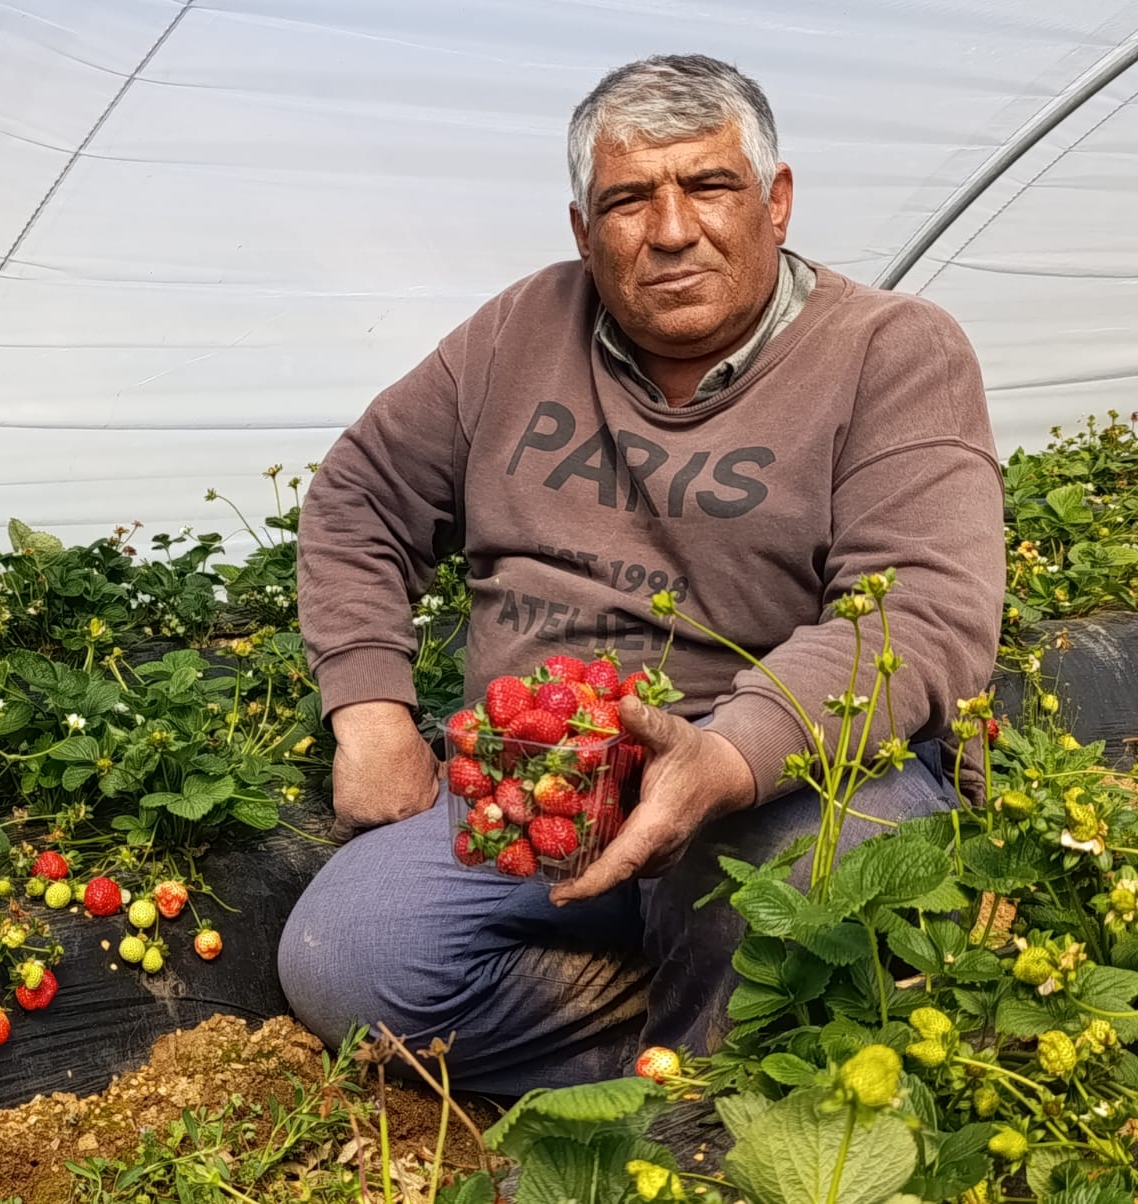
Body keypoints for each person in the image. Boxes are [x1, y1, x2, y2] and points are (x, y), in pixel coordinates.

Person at [276, 53, 1005, 1095]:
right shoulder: (521, 329)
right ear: (584, 230)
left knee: (805, 897)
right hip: (541, 778)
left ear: (775, 201)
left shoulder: (891, 351)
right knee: (349, 959)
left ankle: (709, 1098)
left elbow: (922, 611)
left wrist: (726, 757)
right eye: (628, 200)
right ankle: (659, 1052)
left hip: (779, 778)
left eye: (709, 185)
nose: (670, 230)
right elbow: (361, 496)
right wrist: (370, 711)